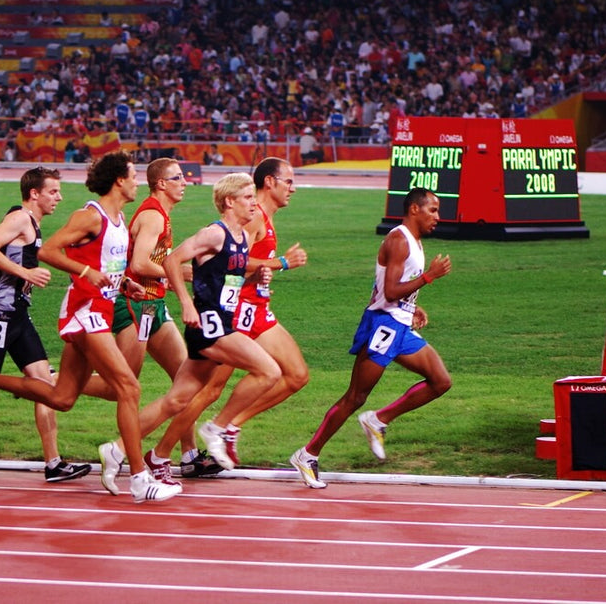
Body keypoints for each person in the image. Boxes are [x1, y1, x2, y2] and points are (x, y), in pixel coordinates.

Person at [0, 151, 181, 503]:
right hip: (84, 310)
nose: (138, 182)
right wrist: (87, 273)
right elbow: (49, 251)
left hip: (102, 308)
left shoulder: (119, 219)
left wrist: (124, 285)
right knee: (129, 388)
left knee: (62, 398)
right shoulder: (91, 215)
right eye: (134, 176)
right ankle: (139, 479)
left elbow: (106, 266)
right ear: (119, 180)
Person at [148, 158, 309, 472]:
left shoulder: (261, 216)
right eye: (288, 181)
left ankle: (228, 426)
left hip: (254, 307)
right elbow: (230, 260)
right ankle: (166, 452)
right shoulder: (253, 216)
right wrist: (280, 263)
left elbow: (241, 262)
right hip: (235, 312)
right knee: (208, 389)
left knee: (296, 375)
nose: (293, 188)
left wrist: (262, 277)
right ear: (270, 182)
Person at [290, 188, 452, 489]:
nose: (437, 217)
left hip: (400, 324)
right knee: (355, 396)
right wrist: (429, 277)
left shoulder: (414, 241)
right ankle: (307, 454)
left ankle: (378, 420)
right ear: (414, 209)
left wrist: (412, 306)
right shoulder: (398, 240)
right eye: (432, 210)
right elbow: (389, 292)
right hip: (384, 327)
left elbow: (389, 288)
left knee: (440, 381)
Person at [0, 166, 91, 483]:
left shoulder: (33, 224)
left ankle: (54, 463)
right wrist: (26, 273)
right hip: (0, 314)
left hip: (19, 316)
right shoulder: (21, 218)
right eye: (53, 191)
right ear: (34, 193)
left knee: (45, 387)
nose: (59, 197)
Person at [97, 158, 207, 486]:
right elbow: (140, 263)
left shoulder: (162, 214)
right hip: (135, 305)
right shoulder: (152, 216)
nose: (185, 182)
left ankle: (186, 454)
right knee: (121, 386)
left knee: (188, 380)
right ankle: (57, 384)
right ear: (161, 184)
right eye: (178, 178)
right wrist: (176, 273)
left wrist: (170, 278)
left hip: (153, 305)